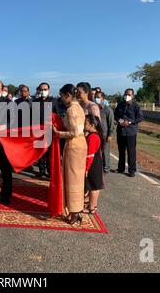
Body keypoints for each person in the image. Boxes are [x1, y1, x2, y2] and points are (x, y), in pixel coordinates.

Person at [53, 84, 87, 226]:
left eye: (62, 96)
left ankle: (74, 212)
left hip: (74, 146)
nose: (61, 99)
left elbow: (74, 132)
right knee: (77, 179)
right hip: (79, 145)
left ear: (68, 95)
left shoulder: (72, 110)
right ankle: (76, 210)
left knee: (73, 180)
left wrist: (58, 133)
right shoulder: (78, 107)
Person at [114, 89, 144, 178]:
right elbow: (116, 116)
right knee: (121, 151)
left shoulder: (136, 106)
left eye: (129, 95)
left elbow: (140, 118)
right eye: (126, 94)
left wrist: (129, 122)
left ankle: (132, 170)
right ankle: (120, 168)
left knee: (131, 152)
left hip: (131, 132)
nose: (127, 96)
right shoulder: (120, 105)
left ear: (133, 96)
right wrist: (121, 121)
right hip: (121, 131)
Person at [33, 82, 56, 178]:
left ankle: (50, 171)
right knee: (40, 153)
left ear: (49, 90)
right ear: (39, 90)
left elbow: (57, 115)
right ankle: (41, 170)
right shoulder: (35, 101)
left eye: (45, 89)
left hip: (50, 131)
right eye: (41, 89)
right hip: (38, 131)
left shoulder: (53, 101)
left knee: (50, 153)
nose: (43, 91)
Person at [84, 114, 105, 214]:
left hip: (93, 164)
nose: (84, 124)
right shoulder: (94, 135)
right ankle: (90, 203)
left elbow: (90, 155)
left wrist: (86, 169)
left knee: (94, 187)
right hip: (94, 163)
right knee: (92, 185)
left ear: (92, 125)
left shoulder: (93, 137)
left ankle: (92, 207)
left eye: (86, 123)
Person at [95, 92, 115, 173]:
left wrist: (110, 135)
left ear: (103, 98)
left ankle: (106, 168)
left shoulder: (107, 109)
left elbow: (111, 123)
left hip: (105, 134)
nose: (97, 99)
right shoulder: (94, 108)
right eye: (96, 97)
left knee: (105, 152)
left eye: (98, 97)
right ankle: (98, 167)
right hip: (96, 134)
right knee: (97, 152)